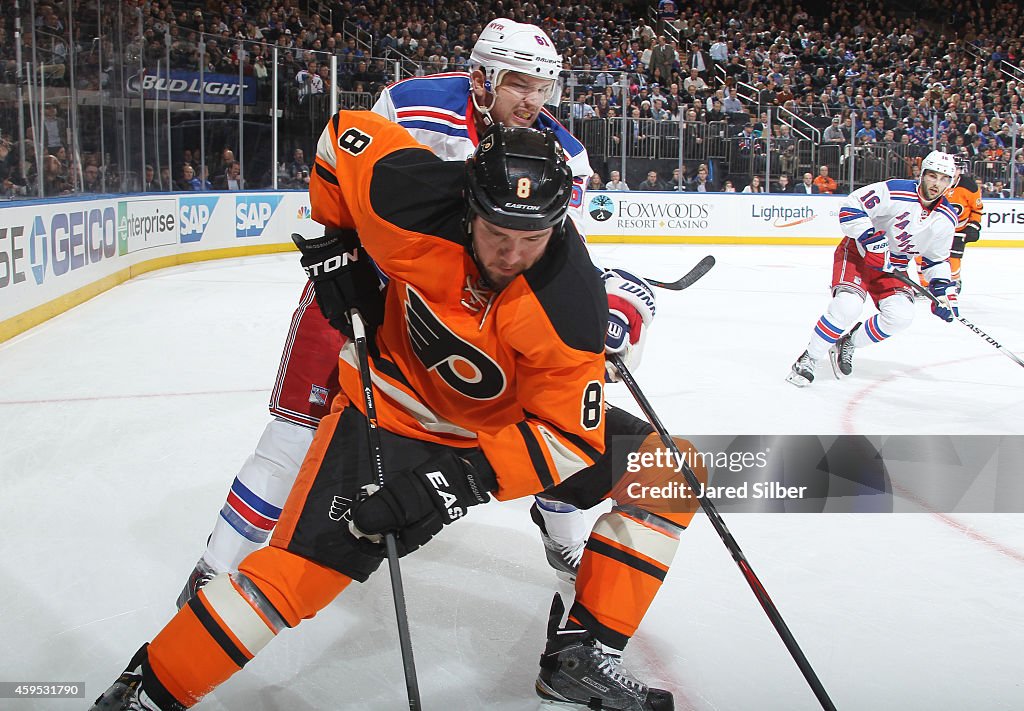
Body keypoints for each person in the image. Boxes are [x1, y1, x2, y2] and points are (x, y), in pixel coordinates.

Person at [90, 113, 702, 711]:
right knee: (294, 578)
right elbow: (340, 138)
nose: (511, 254)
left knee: (674, 472)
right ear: (469, 206)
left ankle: (582, 655)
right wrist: (336, 243)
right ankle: (149, 689)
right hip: (388, 408)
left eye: (532, 238)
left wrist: (454, 485)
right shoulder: (410, 196)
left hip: (490, 437)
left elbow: (568, 438)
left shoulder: (569, 304)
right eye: (497, 233)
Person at [173, 18, 606, 610]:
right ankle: (215, 565)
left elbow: (549, 253)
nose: (534, 101)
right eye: (520, 85)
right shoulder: (414, 103)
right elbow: (352, 172)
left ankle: (566, 543)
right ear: (483, 76)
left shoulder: (563, 152)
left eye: (543, 87)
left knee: (554, 432)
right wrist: (337, 249)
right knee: (294, 432)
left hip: (456, 324)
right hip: (359, 293)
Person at [787, 151, 960, 387]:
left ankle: (848, 342)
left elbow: (935, 260)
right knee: (847, 306)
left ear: (950, 183)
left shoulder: (947, 218)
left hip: (893, 268)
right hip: (859, 254)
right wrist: (870, 237)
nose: (936, 184)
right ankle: (809, 359)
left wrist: (942, 291)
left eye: (943, 179)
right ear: (922, 174)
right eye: (932, 176)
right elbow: (851, 205)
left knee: (901, 316)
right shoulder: (895, 191)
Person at [917, 155, 983, 292]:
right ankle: (924, 284)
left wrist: (974, 226)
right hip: (934, 227)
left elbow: (977, 209)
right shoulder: (935, 184)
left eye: (957, 169)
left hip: (958, 229)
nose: (954, 171)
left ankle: (954, 281)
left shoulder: (969, 186)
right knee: (921, 254)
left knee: (954, 256)